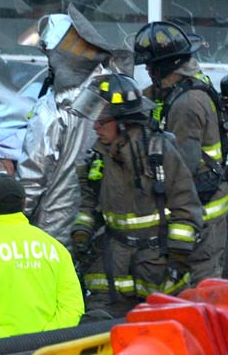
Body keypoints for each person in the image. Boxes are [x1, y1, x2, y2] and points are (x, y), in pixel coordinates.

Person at [69, 73, 204, 318]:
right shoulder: (97, 158)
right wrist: (81, 234)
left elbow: (186, 208)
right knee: (97, 328)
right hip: (112, 265)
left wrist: (177, 259)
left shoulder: (160, 154)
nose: (96, 127)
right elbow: (89, 206)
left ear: (123, 121)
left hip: (157, 267)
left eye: (102, 121)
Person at [16, 4, 130, 246]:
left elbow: (32, 177)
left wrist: (14, 224)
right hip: (104, 217)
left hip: (55, 225)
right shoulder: (116, 88)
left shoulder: (51, 110)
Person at [134, 21, 228, 282]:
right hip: (207, 203)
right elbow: (151, 99)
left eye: (150, 66)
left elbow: (182, 169)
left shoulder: (185, 106)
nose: (147, 71)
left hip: (204, 213)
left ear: (165, 67)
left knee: (200, 286)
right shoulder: (187, 86)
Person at [0, 174, 84, 342]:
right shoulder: (56, 248)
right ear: (24, 204)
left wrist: (10, 347)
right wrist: (43, 343)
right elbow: (72, 307)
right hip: (47, 350)